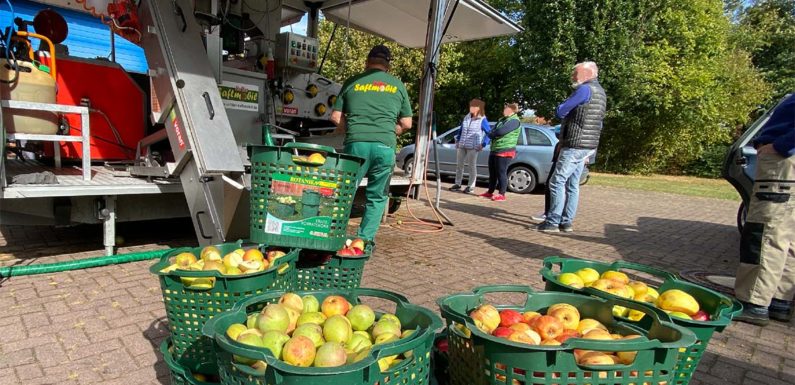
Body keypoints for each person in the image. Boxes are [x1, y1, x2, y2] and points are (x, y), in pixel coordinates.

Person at [330, 45, 413, 242]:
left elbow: (335, 117)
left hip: (356, 145)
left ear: (367, 62)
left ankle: (333, 237)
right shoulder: (398, 85)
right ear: (388, 65)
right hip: (385, 146)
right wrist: (389, 131)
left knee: (345, 192)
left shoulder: (352, 82)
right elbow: (407, 123)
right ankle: (363, 241)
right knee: (377, 196)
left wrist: (350, 128)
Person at [733, 93, 795, 326]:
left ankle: (753, 303)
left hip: (783, 164)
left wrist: (780, 146)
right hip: (786, 164)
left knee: (764, 232)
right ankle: (779, 300)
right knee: (787, 236)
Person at [537, 61, 606, 233]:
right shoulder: (601, 92)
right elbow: (598, 123)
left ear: (587, 74)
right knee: (572, 184)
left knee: (556, 182)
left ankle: (552, 222)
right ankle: (566, 222)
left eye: (575, 73)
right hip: (588, 145)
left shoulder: (584, 89)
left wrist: (562, 107)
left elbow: (561, 111)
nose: (573, 77)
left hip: (575, 143)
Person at [478, 103, 521, 202]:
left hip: (505, 149)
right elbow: (492, 131)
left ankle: (502, 194)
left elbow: (500, 132)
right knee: (492, 172)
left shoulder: (514, 121)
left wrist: (492, 133)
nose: (504, 111)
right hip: (495, 148)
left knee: (501, 172)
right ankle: (490, 192)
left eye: (506, 109)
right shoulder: (502, 120)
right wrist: (491, 133)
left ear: (512, 111)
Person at [451, 99, 490, 194]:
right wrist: (458, 140)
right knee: (459, 165)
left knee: (471, 166)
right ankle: (457, 184)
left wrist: (483, 144)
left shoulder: (482, 119)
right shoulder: (466, 117)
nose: (471, 108)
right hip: (462, 145)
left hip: (473, 147)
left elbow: (489, 133)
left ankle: (471, 186)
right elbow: (461, 130)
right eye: (471, 106)